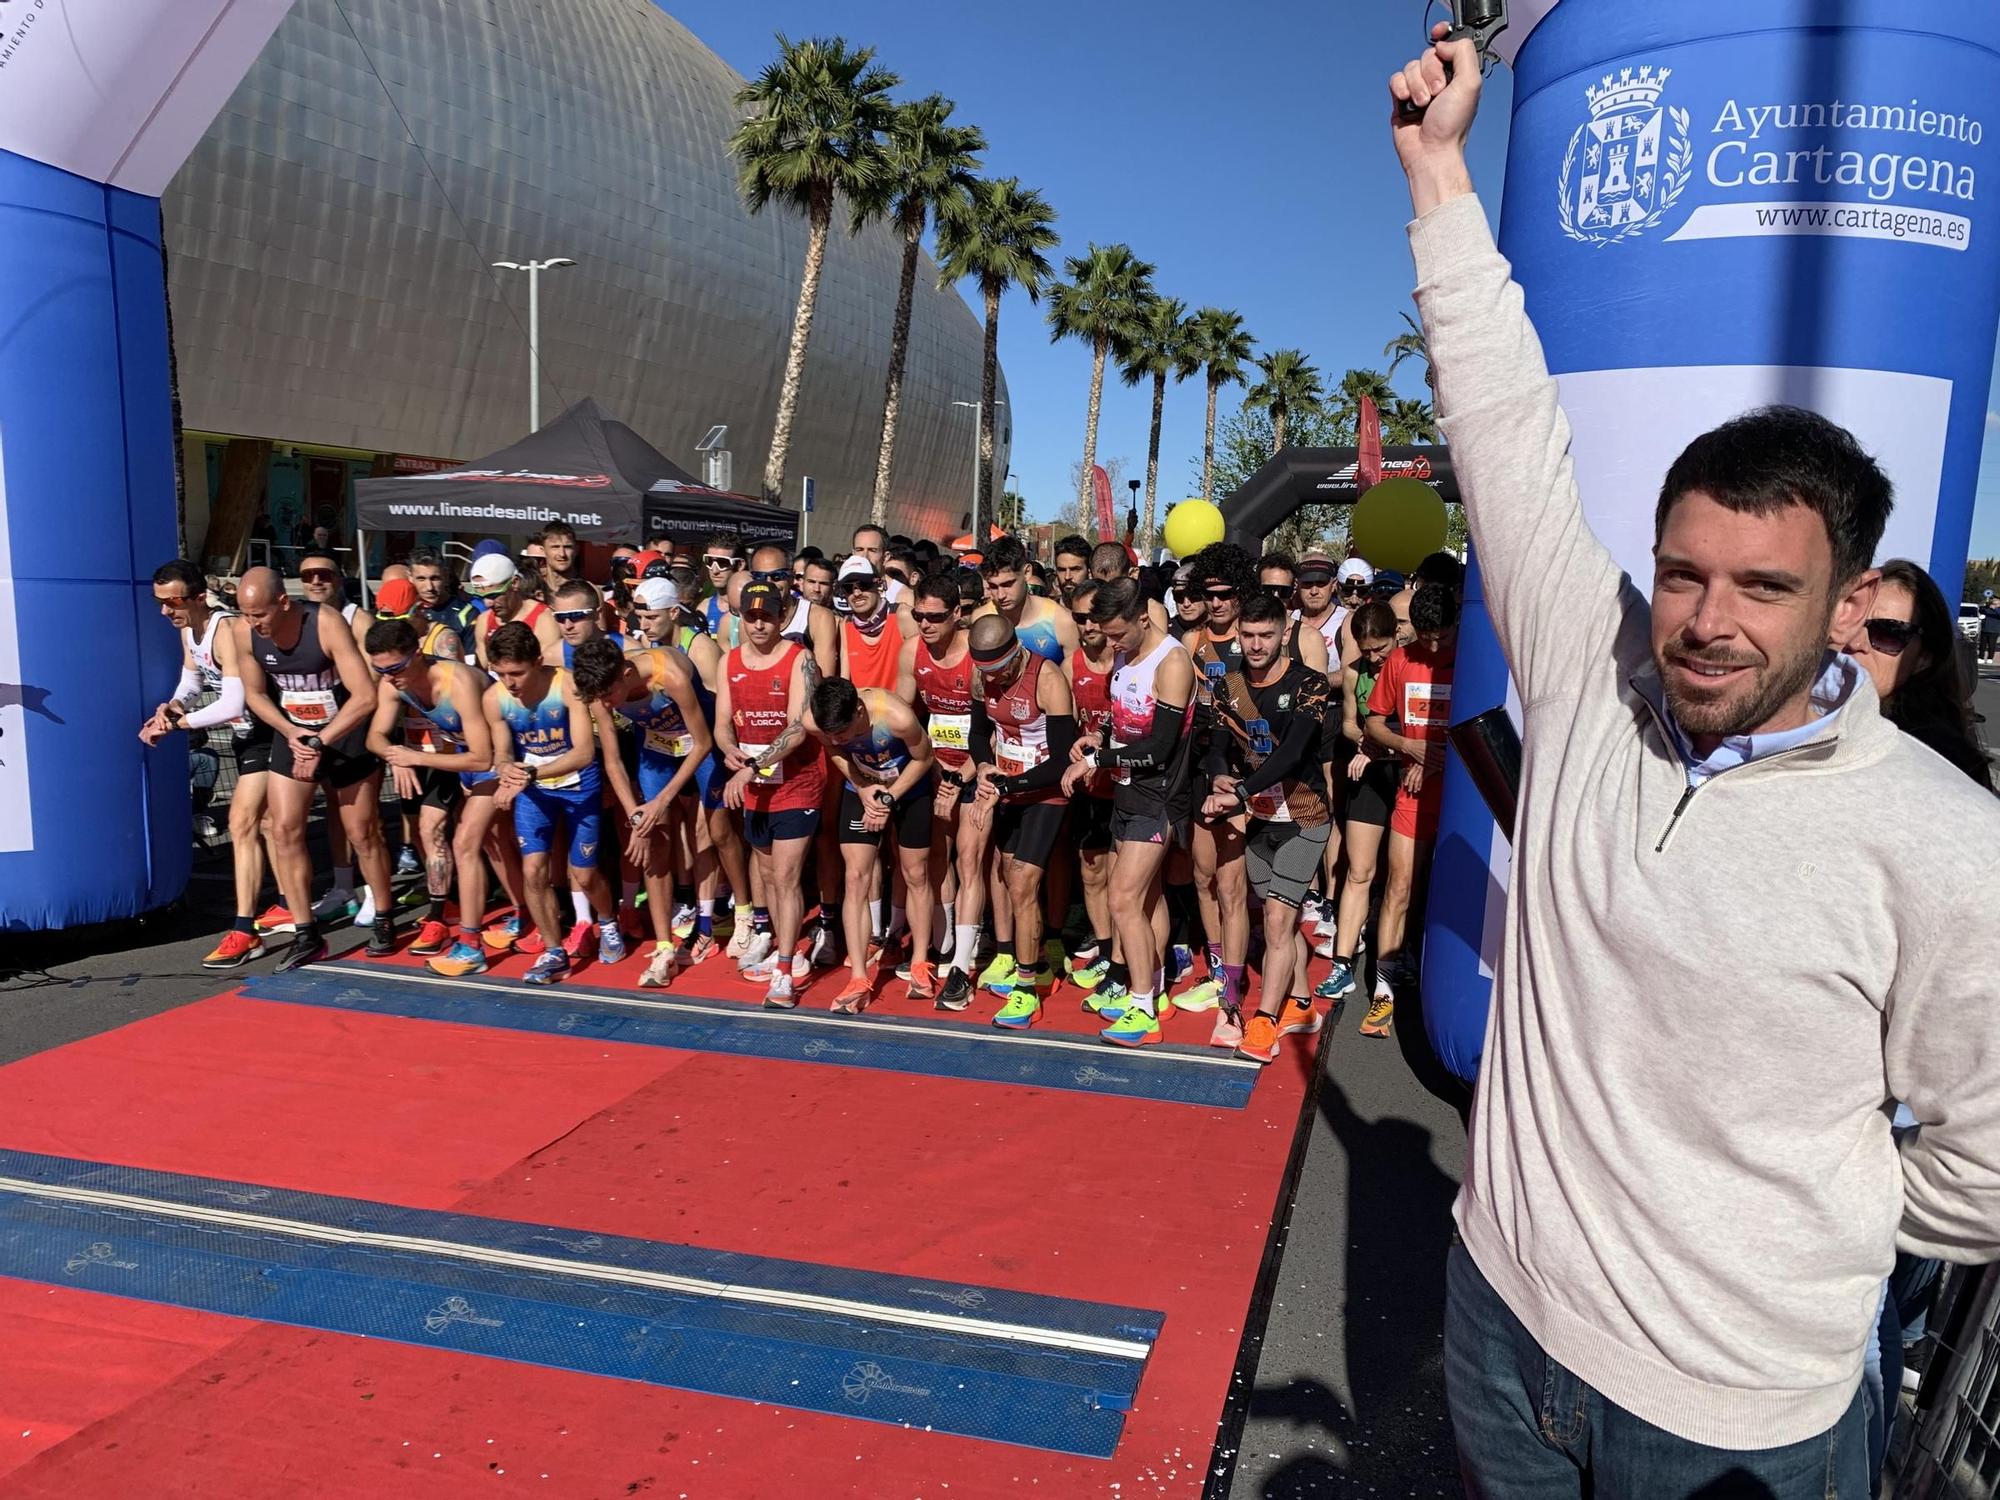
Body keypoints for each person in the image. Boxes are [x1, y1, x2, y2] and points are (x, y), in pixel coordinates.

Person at [1390, 30, 2000, 1493]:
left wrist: (1791, 1232)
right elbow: (1506, 427)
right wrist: (1436, 175)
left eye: (1762, 588)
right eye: (1682, 575)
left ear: (1852, 603)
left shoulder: (1941, 839)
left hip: (1734, 1418)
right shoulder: (1601, 690)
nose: (1707, 623)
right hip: (1499, 1326)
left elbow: (1981, 1167)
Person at [233, 566, 393, 971]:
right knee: (283, 828)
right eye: (247, 615)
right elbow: (253, 693)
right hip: (295, 734)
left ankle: (385, 916)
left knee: (362, 831)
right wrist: (292, 732)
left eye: (261, 615)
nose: (254, 624)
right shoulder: (243, 632)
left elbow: (364, 696)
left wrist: (321, 741)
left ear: (283, 603)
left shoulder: (325, 622)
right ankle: (306, 932)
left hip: (344, 731)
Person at [1199, 591, 1332, 1062]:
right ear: (1239, 635)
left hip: (1305, 816)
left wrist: (1237, 791)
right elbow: (1215, 744)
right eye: (1249, 635)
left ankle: (1265, 1021)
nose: (1256, 645)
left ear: (1283, 636)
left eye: (1266, 636)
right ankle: (1299, 1004)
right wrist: (1219, 773)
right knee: (1281, 919)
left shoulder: (1310, 684)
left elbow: (1294, 752)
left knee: (1277, 920)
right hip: (1260, 819)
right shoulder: (1227, 685)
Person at [1073, 577, 1194, 1047]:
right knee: (1146, 899)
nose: (1113, 644)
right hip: (1128, 792)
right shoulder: (1126, 655)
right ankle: (1155, 988)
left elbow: (1161, 746)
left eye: (1119, 634)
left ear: (1144, 617)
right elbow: (1124, 723)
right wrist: (1097, 741)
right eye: (1107, 635)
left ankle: (1141, 1006)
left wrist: (1096, 760)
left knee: (1121, 898)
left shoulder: (1173, 662)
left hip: (1160, 796)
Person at [140, 559, 277, 969]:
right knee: (273, 828)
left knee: (242, 823)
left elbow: (236, 701)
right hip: (245, 736)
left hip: (268, 732)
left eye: (174, 601)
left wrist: (178, 724)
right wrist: (174, 704)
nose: (166, 611)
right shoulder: (188, 630)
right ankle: (291, 906)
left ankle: (244, 929)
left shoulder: (228, 630)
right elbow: (194, 679)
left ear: (200, 597)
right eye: (159, 602)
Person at [362, 617, 510, 973]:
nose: (388, 677)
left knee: (483, 844)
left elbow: (483, 755)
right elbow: (374, 737)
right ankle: (462, 917)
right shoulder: (392, 683)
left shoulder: (456, 682)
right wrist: (396, 757)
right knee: (469, 838)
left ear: (417, 655)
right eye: (379, 669)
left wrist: (413, 757)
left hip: (501, 757)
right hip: (455, 759)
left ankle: (484, 937)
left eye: (395, 668)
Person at [481, 621, 626, 984]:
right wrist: (506, 771)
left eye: (517, 673)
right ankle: (553, 951)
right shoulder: (494, 698)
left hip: (578, 788)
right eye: (500, 674)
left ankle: (607, 921)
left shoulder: (568, 685)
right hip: (535, 793)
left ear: (538, 660)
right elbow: (500, 752)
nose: (509, 683)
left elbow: (582, 752)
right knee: (533, 871)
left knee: (585, 874)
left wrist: (529, 774)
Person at [570, 635, 712, 986]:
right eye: (599, 699)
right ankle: (664, 946)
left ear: (627, 674)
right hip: (657, 748)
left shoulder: (670, 675)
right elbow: (614, 761)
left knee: (713, 831)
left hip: (699, 741)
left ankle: (716, 919)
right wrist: (635, 812)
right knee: (654, 840)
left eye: (609, 696)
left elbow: (704, 743)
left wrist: (661, 801)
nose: (605, 704)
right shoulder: (601, 690)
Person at [713, 580, 825, 1008]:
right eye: (750, 616)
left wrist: (752, 769)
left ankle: (783, 970)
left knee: (786, 875)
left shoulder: (801, 660)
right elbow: (724, 721)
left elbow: (798, 729)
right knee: (765, 873)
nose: (758, 624)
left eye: (766, 616)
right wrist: (730, 752)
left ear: (782, 618)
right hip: (755, 784)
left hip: (797, 782)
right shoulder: (729, 662)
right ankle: (782, 944)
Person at [965, 614, 1076, 1028]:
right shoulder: (983, 677)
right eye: (984, 672)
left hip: (1046, 792)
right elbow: (978, 735)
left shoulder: (1046, 679)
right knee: (1010, 875)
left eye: (998, 671)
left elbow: (1064, 760)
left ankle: (1026, 991)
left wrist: (1009, 787)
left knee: (1024, 881)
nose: (992, 679)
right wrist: (982, 768)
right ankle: (1033, 962)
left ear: (1015, 654)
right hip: (1009, 788)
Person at [1358, 581, 1456, 1037]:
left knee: (1447, 896)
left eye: (1444, 635)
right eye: (1426, 635)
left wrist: (1435, 757)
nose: (1434, 645)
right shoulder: (1400, 659)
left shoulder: (1472, 657)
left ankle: (1437, 985)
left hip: (1461, 798)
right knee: (1398, 888)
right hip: (1414, 795)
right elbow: (1374, 723)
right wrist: (1409, 747)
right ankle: (1383, 993)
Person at [804, 677, 938, 1011]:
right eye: (831, 732)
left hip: (908, 788)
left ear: (860, 711)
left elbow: (924, 759)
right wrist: (862, 786)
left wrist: (890, 797)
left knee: (915, 873)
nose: (838, 738)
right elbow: (833, 748)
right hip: (862, 788)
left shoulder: (897, 717)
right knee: (855, 878)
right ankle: (859, 978)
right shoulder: (815, 719)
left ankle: (920, 963)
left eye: (845, 731)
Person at [904, 569, 985, 1009]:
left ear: (958, 613)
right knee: (940, 858)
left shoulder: (977, 654)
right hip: (936, 770)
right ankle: (946, 941)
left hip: (978, 771)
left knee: (971, 860)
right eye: (918, 615)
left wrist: (960, 778)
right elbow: (902, 718)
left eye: (935, 617)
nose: (926, 625)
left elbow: (995, 733)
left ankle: (962, 968)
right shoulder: (910, 652)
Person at [1842, 560, 1996, 789]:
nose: (1855, 642)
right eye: (1848, 624)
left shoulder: (1944, 761)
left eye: (1888, 632)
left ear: (1924, 658)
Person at [1315, 601, 1401, 1008]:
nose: (1373, 657)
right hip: (1366, 771)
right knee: (1358, 870)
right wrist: (1364, 737)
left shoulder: (1407, 669)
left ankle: (1397, 955)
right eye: (1366, 650)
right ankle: (1343, 961)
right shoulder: (1354, 673)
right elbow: (1349, 720)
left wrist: (1382, 743)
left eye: (1379, 648)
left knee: (1400, 877)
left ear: (1395, 637)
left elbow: (1415, 726)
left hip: (1403, 775)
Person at [1059, 581, 1119, 993]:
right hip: (1089, 790)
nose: (1088, 624)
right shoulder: (1069, 666)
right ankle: (1105, 948)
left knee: (1127, 881)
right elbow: (1064, 730)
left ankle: (1128, 957)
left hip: (1129, 788)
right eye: (1080, 617)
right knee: (1092, 873)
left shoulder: (1129, 660)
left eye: (1096, 616)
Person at [976, 537, 1078, 665]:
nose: (1001, 595)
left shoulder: (1062, 621)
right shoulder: (980, 619)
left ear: (1027, 572)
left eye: (1008, 584)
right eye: (993, 586)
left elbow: (1073, 678)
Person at [470, 553, 560, 668]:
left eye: (494, 595)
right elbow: (481, 670)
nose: (488, 603)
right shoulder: (484, 620)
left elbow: (548, 672)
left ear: (515, 583)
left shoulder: (544, 619)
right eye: (481, 597)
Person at [835, 558, 911, 690]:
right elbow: (845, 679)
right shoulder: (846, 625)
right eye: (848, 588)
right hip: (861, 707)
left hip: (900, 707)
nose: (857, 593)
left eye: (863, 585)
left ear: (878, 584)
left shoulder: (902, 616)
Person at [1089, 541, 1172, 633]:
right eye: (1101, 585)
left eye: (1114, 584)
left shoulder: (1152, 611)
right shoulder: (1087, 609)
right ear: (1090, 577)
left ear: (1133, 574)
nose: (1107, 592)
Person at [409, 548, 479, 653]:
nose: (429, 587)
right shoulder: (405, 611)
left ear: (446, 576)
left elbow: (471, 664)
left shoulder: (467, 614)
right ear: (410, 578)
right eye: (421, 579)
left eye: (435, 578)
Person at [549, 579, 622, 669]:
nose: (568, 626)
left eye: (576, 616)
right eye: (560, 617)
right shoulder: (551, 658)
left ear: (597, 614)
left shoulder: (627, 651)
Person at [539, 520, 583, 595]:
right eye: (555, 547)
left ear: (576, 550)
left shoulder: (589, 592)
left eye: (567, 547)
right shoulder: (532, 591)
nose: (562, 554)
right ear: (543, 551)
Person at [1168, 562, 1205, 641]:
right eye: (1179, 596)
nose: (1186, 603)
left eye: (1193, 596)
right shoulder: (1164, 630)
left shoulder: (1221, 629)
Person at [1053, 535, 1092, 603]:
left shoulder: (1102, 611)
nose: (1067, 577)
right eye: (1062, 570)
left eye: (1075, 569)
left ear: (1089, 572)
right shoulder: (1045, 611)